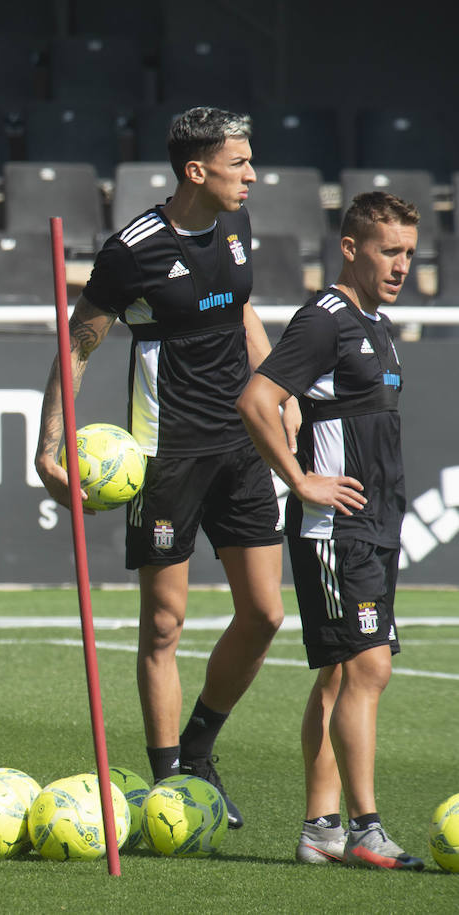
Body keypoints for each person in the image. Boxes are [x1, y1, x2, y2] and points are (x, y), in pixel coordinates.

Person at [34, 107, 293, 828]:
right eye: (239, 162)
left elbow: (243, 315)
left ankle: (200, 744)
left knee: (267, 612)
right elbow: (77, 345)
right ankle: (171, 783)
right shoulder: (133, 250)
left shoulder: (238, 226)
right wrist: (48, 445)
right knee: (164, 624)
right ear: (196, 170)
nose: (251, 174)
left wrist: (276, 390)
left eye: (250, 161)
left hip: (241, 445)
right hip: (165, 454)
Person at [238, 192, 424, 870]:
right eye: (389, 250)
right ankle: (366, 825)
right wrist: (299, 478)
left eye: (410, 252)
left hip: (373, 526)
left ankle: (321, 826)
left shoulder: (376, 323)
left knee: (343, 672)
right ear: (351, 248)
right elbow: (258, 399)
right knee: (368, 665)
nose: (403, 264)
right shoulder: (326, 320)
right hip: (334, 528)